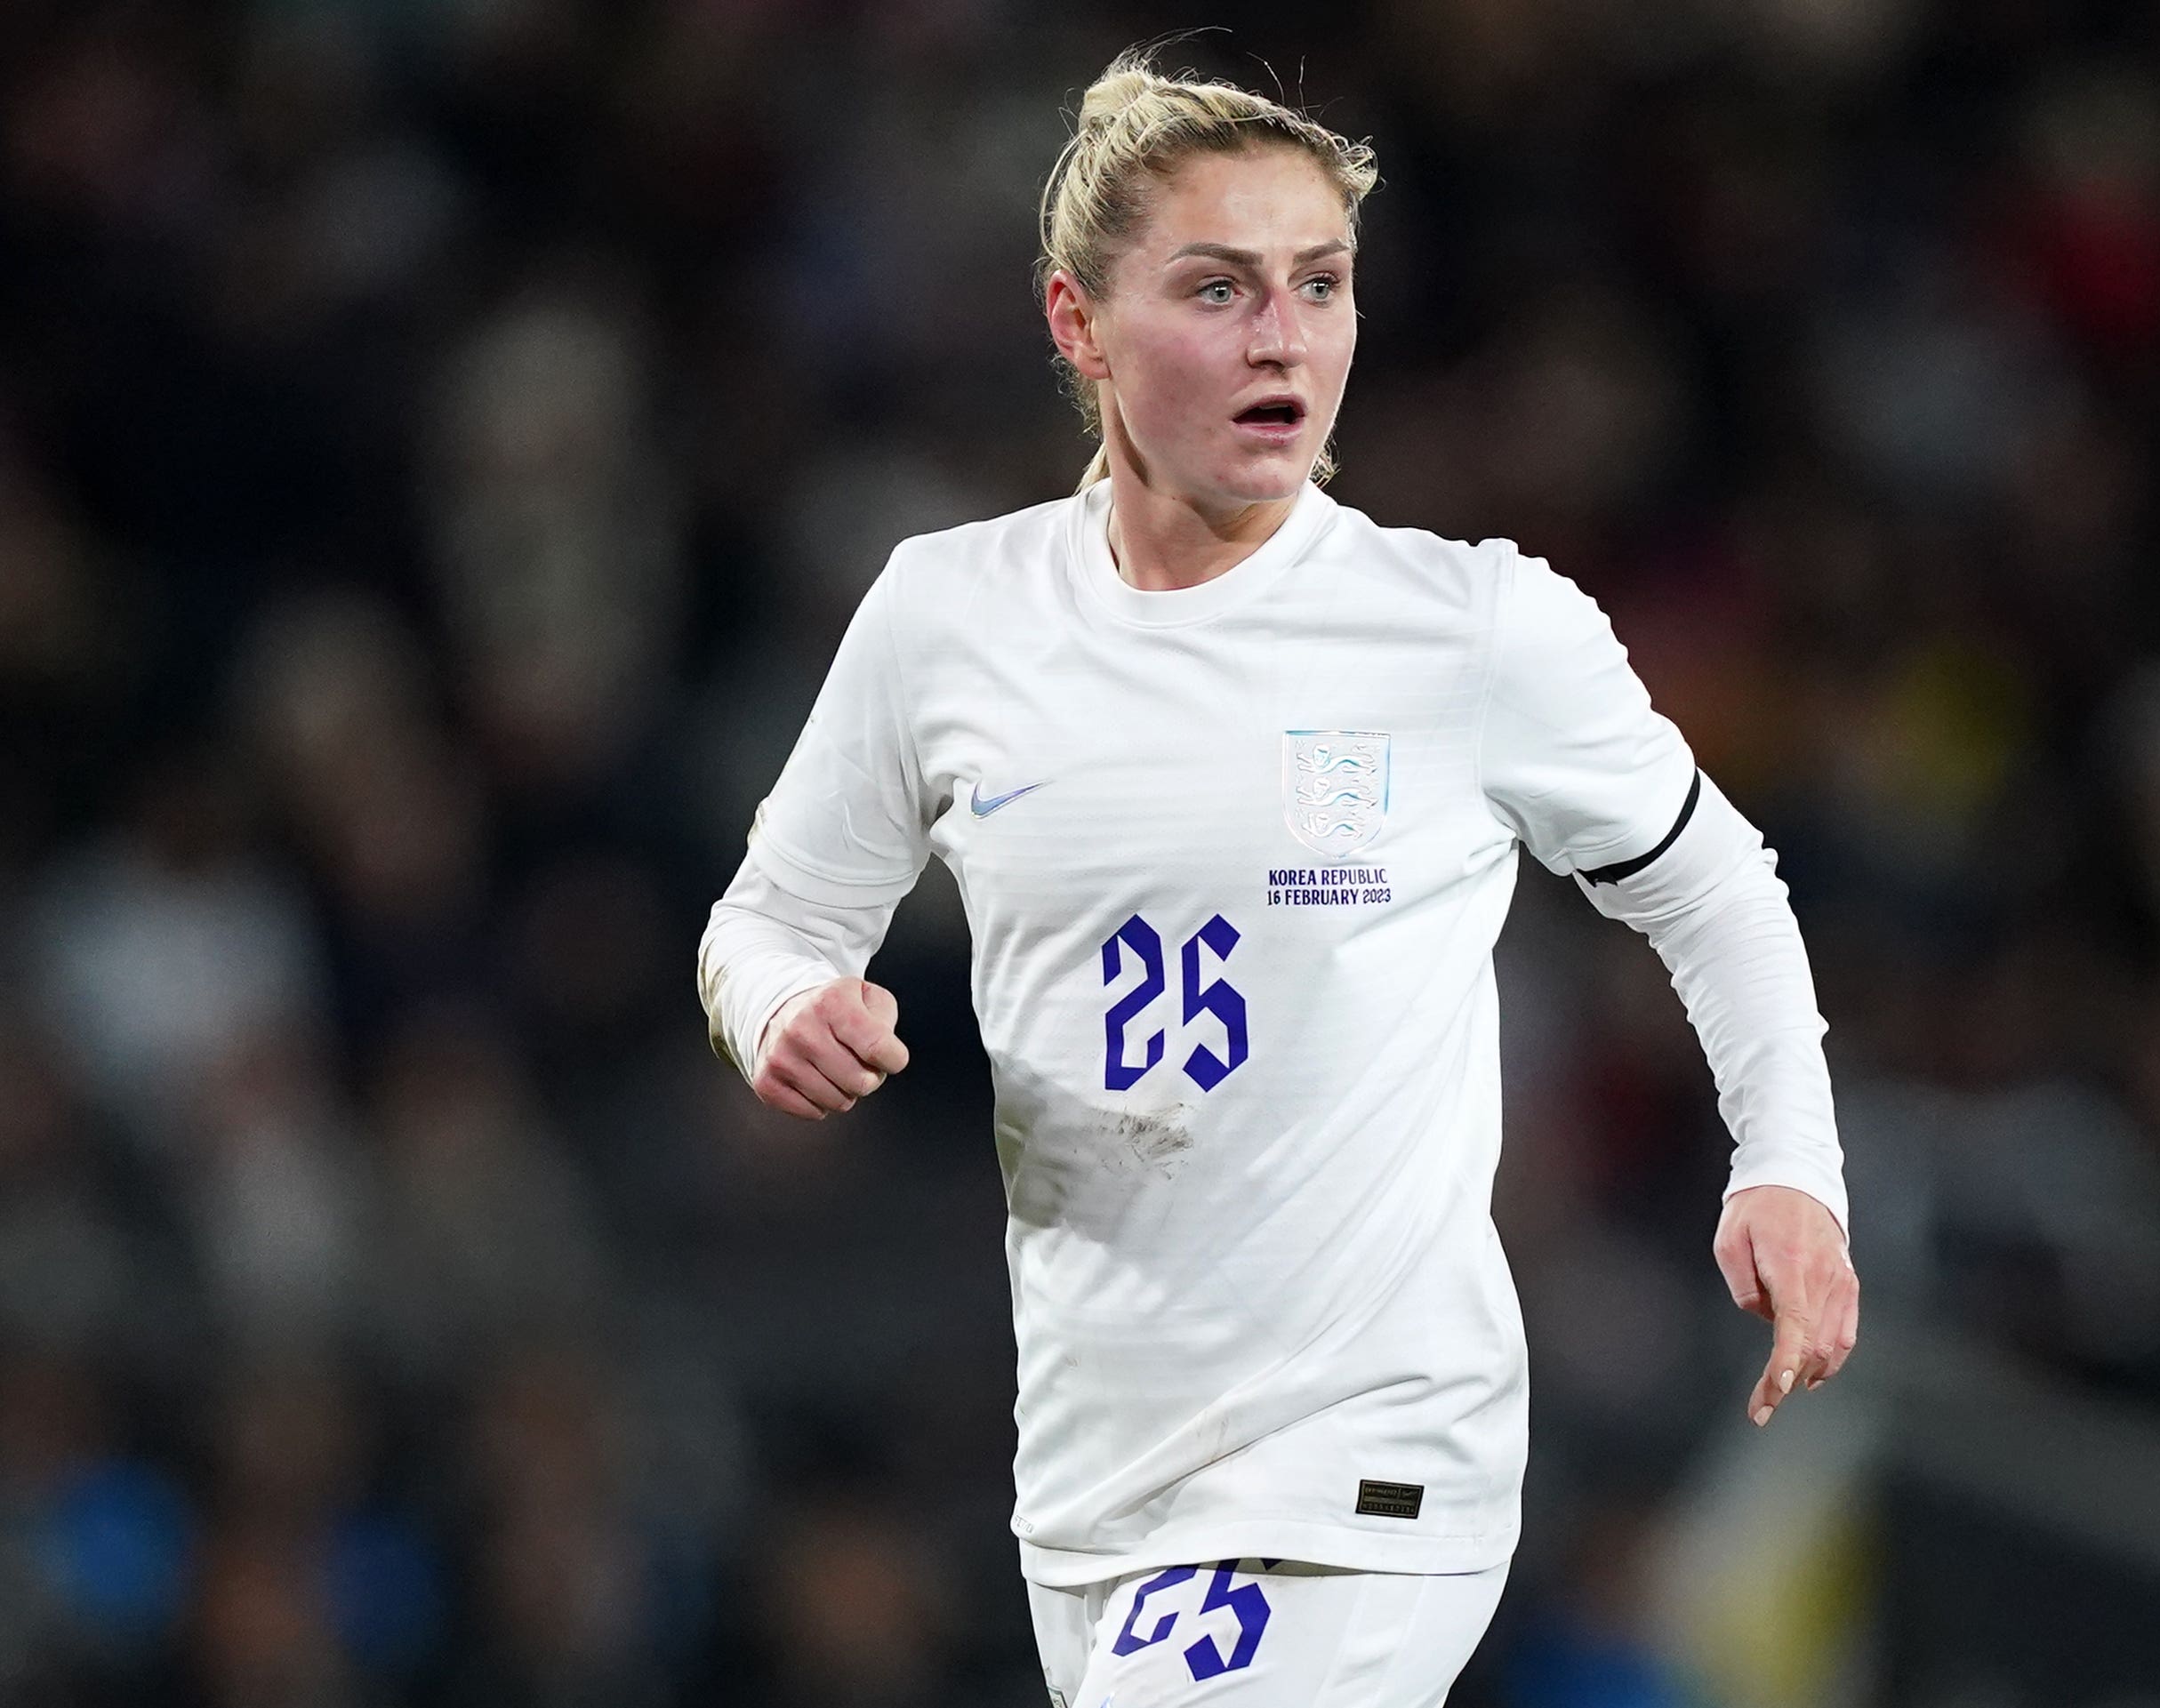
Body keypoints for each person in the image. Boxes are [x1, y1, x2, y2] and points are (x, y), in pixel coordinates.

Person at [695, 46, 1857, 1708]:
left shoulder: (1467, 629)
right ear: (1077, 325)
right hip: (1094, 1476)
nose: (1283, 337)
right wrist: (782, 1008)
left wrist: (1789, 1163)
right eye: (1219, 288)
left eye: (1319, 285)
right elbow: (769, 920)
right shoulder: (946, 616)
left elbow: (1713, 884)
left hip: (1365, 1454)